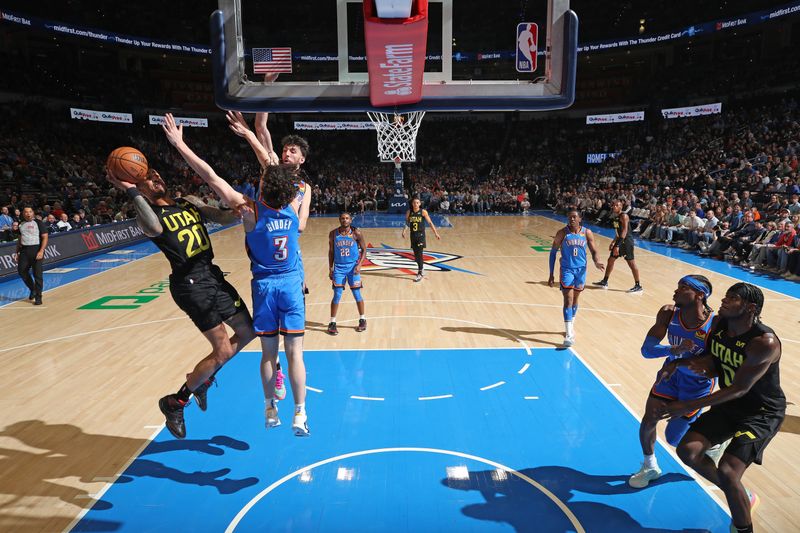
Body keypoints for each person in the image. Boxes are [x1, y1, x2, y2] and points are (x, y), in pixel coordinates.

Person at [162, 113, 313, 437]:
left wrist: (180, 145)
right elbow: (269, 160)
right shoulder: (291, 205)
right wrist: (251, 131)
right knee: (295, 353)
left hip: (264, 287)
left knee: (268, 354)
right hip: (289, 281)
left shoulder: (248, 209)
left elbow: (211, 175)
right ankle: (300, 414)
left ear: (262, 187)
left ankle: (270, 407)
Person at [106, 168, 256, 440]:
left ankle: (202, 379)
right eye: (149, 178)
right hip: (190, 285)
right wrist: (132, 191)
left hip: (212, 274)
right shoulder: (146, 215)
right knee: (221, 351)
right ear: (141, 187)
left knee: (249, 331)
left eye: (158, 175)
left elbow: (219, 218)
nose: (157, 178)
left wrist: (234, 211)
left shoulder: (188, 201)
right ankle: (176, 401)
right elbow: (153, 228)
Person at [656, 283, 785, 533]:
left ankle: (743, 528)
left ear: (750, 308)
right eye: (726, 296)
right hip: (730, 404)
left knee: (728, 471)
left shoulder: (764, 342)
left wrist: (687, 406)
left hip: (761, 413)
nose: (724, 300)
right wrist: (679, 364)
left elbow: (739, 388)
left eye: (733, 298)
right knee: (688, 451)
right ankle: (742, 496)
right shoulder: (719, 326)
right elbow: (714, 361)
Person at [628, 275, 720, 488]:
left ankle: (712, 443)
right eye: (677, 286)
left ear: (700, 294)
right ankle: (650, 465)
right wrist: (673, 350)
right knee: (649, 418)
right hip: (670, 377)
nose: (676, 291)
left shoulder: (714, 324)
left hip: (697, 385)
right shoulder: (669, 313)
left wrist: (681, 361)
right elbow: (647, 350)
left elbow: (715, 365)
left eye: (683, 287)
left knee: (673, 438)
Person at [547, 209, 604, 346]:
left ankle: (570, 324)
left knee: (575, 299)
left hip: (581, 271)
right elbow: (553, 253)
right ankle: (569, 334)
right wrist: (551, 273)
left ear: (580, 218)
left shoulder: (587, 232)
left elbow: (594, 250)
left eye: (574, 217)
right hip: (567, 270)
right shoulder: (562, 233)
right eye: (569, 217)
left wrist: (596, 261)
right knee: (568, 300)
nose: (571, 219)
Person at [327, 212, 367, 335]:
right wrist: (330, 268)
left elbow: (364, 249)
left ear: (350, 220)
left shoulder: (356, 233)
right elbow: (331, 251)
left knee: (357, 294)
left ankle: (362, 319)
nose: (345, 220)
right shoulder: (333, 233)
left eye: (347, 218)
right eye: (343, 218)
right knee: (337, 295)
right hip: (339, 268)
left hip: (353, 268)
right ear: (339, 219)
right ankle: (332, 322)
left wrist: (359, 265)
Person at [594, 199, 642, 292]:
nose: (614, 206)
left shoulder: (624, 216)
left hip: (626, 242)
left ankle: (638, 285)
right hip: (620, 241)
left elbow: (624, 231)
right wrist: (613, 242)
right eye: (613, 205)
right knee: (610, 260)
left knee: (631, 263)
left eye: (617, 205)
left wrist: (617, 245)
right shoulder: (615, 217)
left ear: (621, 207)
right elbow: (618, 232)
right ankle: (605, 281)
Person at [401, 197, 441, 282]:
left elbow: (430, 222)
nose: (415, 204)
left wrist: (436, 233)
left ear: (419, 204)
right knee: (416, 256)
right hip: (413, 235)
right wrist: (404, 231)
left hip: (421, 235)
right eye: (414, 202)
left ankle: (420, 272)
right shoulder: (409, 212)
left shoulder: (423, 212)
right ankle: (421, 269)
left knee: (419, 253)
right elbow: (407, 223)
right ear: (412, 204)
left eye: (417, 203)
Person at [16, 207, 48, 305]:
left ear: (33, 213)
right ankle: (33, 289)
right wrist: (17, 252)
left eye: (30, 211)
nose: (28, 213)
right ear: (23, 213)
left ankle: (38, 297)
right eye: (26, 212)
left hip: (36, 250)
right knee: (21, 271)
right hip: (24, 251)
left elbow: (45, 237)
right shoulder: (21, 224)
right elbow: (19, 239)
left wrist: (41, 251)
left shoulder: (38, 223)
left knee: (37, 274)